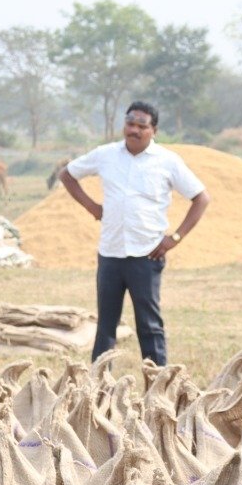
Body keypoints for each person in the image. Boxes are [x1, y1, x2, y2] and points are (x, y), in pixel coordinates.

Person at [58, 101, 210, 365]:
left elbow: (201, 198)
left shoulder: (167, 161)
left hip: (147, 255)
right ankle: (99, 390)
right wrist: (92, 207)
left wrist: (174, 238)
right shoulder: (105, 154)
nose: (135, 130)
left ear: (154, 130)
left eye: (142, 126)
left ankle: (157, 388)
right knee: (106, 326)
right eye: (131, 124)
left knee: (149, 325)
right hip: (110, 253)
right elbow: (67, 175)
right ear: (124, 125)